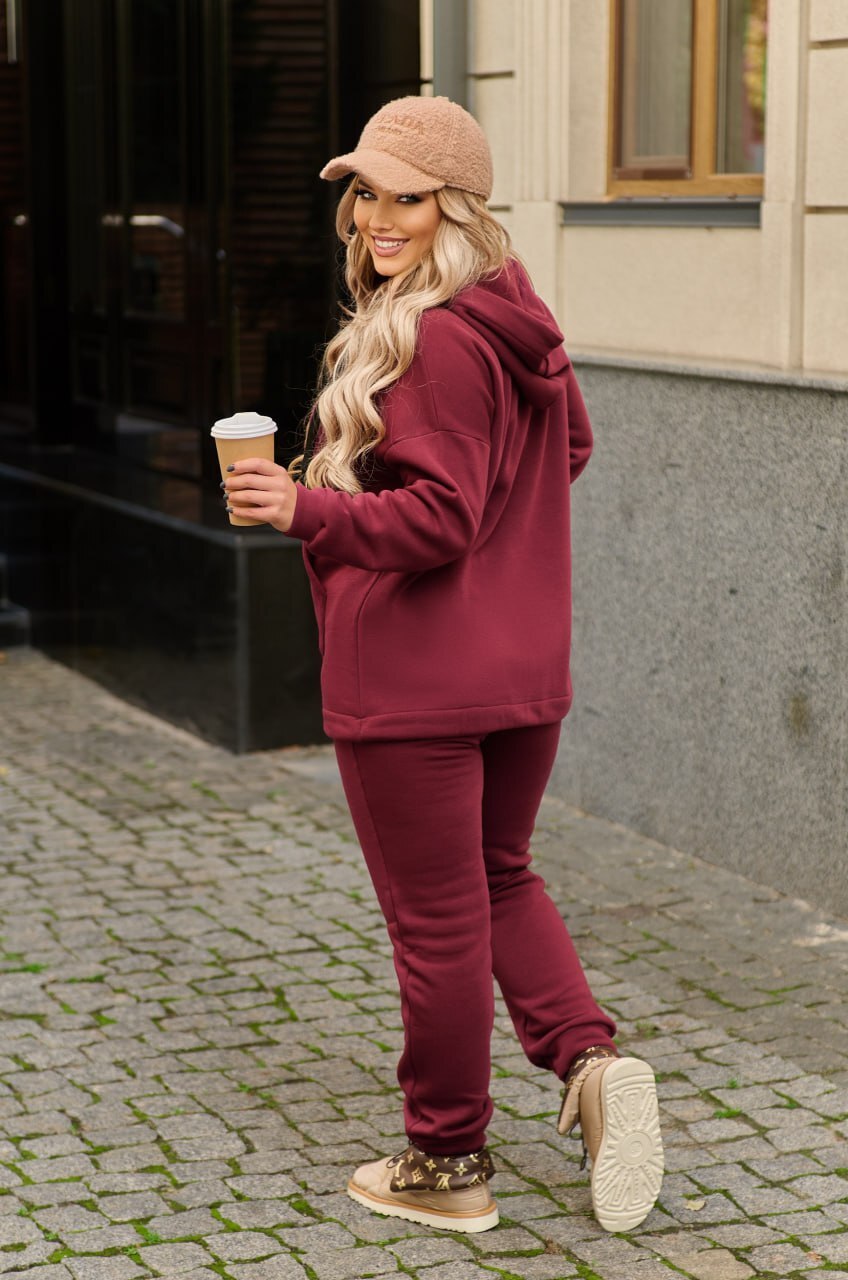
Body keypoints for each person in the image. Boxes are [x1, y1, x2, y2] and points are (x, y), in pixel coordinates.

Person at [222, 95, 664, 1235]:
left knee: (435, 923)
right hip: (520, 665)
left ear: (454, 207)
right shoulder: (519, 322)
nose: (376, 218)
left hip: (413, 677)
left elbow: (440, 517)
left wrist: (306, 508)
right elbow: (566, 449)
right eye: (364, 193)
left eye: (405, 198)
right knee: (499, 875)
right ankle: (588, 1059)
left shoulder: (429, 336)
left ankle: (446, 1157)